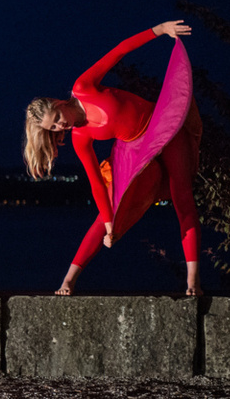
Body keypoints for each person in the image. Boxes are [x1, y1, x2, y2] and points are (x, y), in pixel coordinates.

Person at [24, 20, 203, 296]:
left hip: (161, 125)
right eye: (54, 127)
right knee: (109, 213)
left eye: (58, 119)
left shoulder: (84, 87)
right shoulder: (80, 138)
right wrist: (110, 224)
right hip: (134, 151)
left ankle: (193, 281)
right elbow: (96, 183)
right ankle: (69, 280)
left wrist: (159, 30)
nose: (61, 126)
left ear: (59, 103)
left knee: (182, 196)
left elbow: (119, 51)